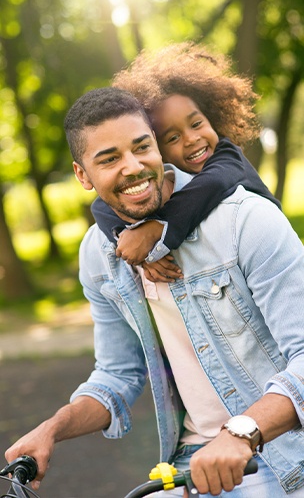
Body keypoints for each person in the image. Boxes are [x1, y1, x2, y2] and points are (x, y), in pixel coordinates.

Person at [5, 87, 304, 498]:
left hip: (280, 457)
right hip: (186, 464)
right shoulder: (99, 254)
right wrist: (52, 428)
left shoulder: (245, 221)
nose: (133, 167)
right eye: (109, 159)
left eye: (141, 147)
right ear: (81, 175)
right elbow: (117, 374)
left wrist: (240, 433)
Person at [90, 42, 281, 281]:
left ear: (211, 118)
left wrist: (155, 231)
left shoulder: (227, 156)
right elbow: (100, 206)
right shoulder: (168, 180)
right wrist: (130, 244)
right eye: (172, 137)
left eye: (197, 123)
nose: (192, 139)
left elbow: (212, 183)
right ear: (156, 151)